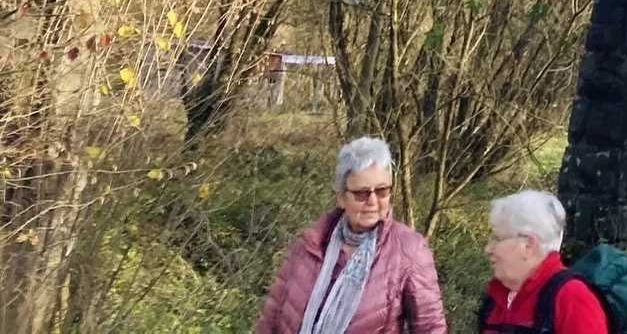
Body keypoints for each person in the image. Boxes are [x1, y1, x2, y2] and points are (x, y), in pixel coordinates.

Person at [255, 136, 448, 334]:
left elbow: (430, 327)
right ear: (341, 197)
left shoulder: (409, 250)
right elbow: (271, 318)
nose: (373, 201)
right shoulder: (308, 245)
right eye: (362, 193)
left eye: (382, 191)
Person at [477, 190, 608, 334]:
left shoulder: (571, 297)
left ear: (528, 245)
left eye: (498, 238)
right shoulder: (496, 299)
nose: (489, 249)